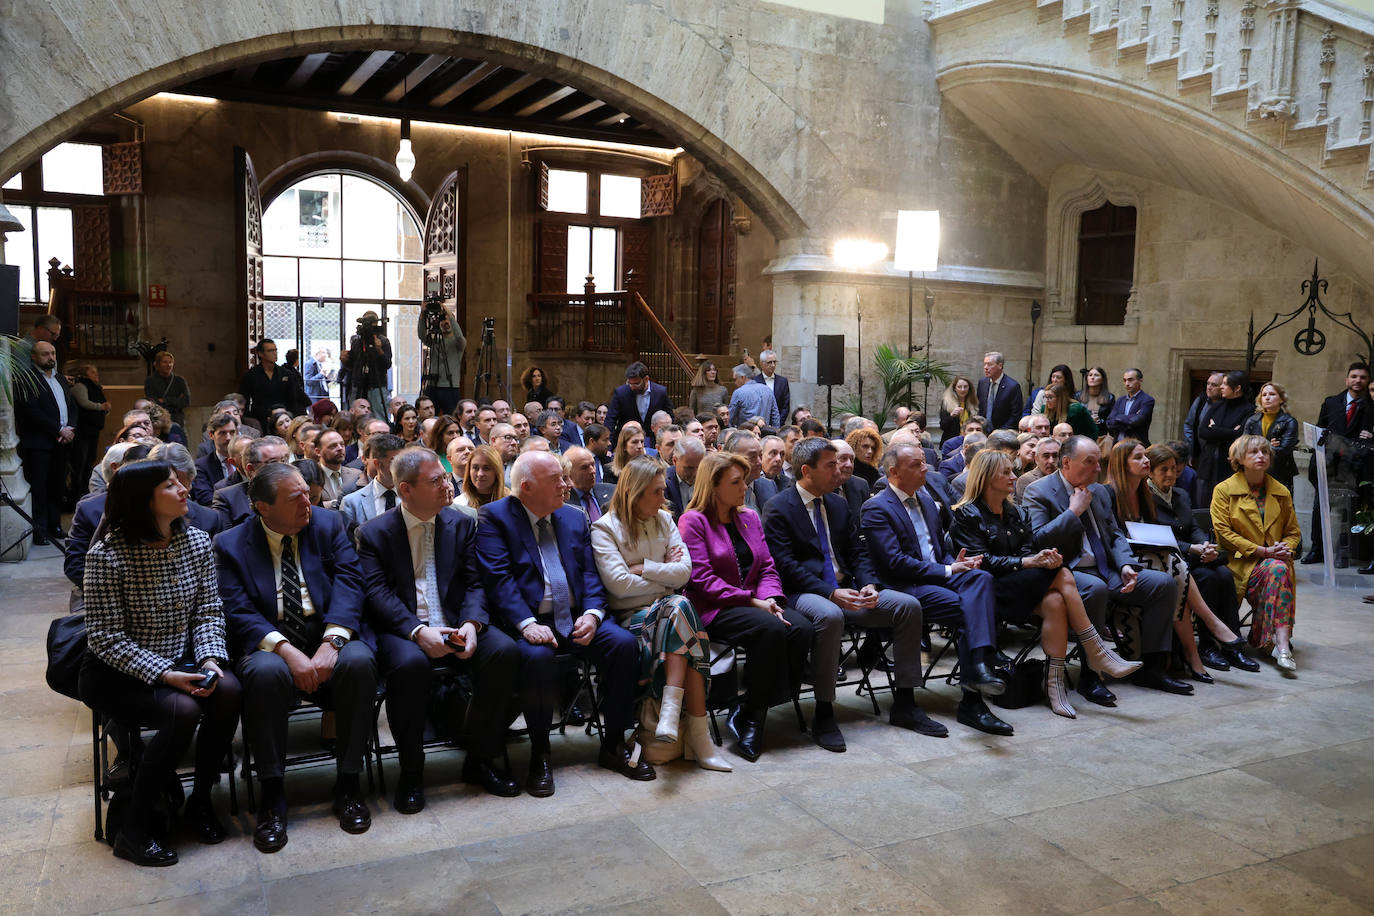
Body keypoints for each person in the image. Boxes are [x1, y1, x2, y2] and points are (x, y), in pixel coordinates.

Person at [78, 459, 242, 867]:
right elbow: (106, 639)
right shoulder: (107, 556)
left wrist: (208, 656)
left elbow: (208, 609)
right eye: (170, 486)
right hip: (117, 671)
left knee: (229, 690)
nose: (184, 489)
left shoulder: (197, 542)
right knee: (181, 710)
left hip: (183, 656)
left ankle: (201, 801)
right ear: (143, 501)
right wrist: (167, 674)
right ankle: (134, 830)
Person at [215, 463, 378, 853]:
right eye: (295, 498)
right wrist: (288, 652)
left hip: (327, 631)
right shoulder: (230, 543)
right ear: (262, 507)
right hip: (270, 641)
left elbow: (350, 584)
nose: (308, 502)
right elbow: (236, 610)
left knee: (358, 662)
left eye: (307, 492)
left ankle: (349, 784)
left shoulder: (328, 523)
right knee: (266, 674)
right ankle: (272, 796)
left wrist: (330, 644)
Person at [477, 451, 655, 795]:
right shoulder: (494, 518)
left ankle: (614, 744)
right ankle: (541, 753)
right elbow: (498, 580)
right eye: (556, 479)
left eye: (565, 477)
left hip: (575, 616)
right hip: (527, 620)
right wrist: (526, 623)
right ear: (526, 488)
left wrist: (592, 614)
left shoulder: (573, 517)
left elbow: (591, 573)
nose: (566, 484)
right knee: (537, 659)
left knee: (622, 645)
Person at [357, 448, 522, 805]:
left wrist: (472, 624)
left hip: (455, 620)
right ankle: (412, 772)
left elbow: (475, 582)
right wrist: (418, 631)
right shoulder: (374, 533)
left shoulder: (461, 523)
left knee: (505, 652)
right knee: (409, 665)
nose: (446, 485)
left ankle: (480, 757)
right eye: (435, 481)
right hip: (404, 628)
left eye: (445, 477)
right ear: (405, 489)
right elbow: (377, 594)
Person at [766, 439, 932, 748]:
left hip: (848, 587)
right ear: (806, 470)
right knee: (829, 617)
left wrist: (868, 583)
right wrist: (831, 592)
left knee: (907, 605)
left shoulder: (838, 503)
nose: (839, 470)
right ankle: (825, 712)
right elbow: (786, 567)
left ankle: (906, 703)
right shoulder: (779, 507)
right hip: (804, 592)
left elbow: (859, 551)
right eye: (830, 465)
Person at [950, 450, 1142, 718]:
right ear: (986, 477)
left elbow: (1028, 549)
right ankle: (1096, 650)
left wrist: (1042, 559)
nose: (1014, 477)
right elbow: (979, 562)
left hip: (1022, 584)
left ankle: (1055, 688)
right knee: (1062, 574)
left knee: (1055, 599)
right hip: (989, 591)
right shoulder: (967, 514)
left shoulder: (1017, 513)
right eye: (1005, 472)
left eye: (1012, 470)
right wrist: (1029, 563)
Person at [861, 442, 1013, 735]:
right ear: (894, 472)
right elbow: (894, 563)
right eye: (916, 465)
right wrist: (946, 570)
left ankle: (979, 668)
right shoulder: (877, 507)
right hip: (905, 585)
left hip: (936, 575)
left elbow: (936, 550)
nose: (925, 468)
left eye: (924, 462)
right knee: (969, 607)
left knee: (981, 579)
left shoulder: (928, 501)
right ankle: (974, 694)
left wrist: (954, 564)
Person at [1023, 436, 1188, 705]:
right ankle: (1092, 676)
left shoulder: (1099, 491)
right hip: (1065, 571)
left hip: (1106, 568)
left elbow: (1114, 535)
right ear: (1066, 462)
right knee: (1096, 588)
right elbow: (1037, 541)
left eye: (1098, 462)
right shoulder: (1038, 491)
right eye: (1089, 462)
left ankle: (1153, 667)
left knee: (1162, 583)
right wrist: (1072, 513)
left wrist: (1125, 565)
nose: (1097, 469)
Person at [591, 457, 731, 770]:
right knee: (682, 613)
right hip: (631, 618)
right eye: (656, 492)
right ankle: (699, 738)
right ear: (635, 493)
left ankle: (673, 709)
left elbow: (684, 573)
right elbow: (619, 586)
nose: (663, 498)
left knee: (678, 610)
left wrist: (646, 568)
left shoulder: (665, 520)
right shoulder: (605, 528)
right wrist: (663, 576)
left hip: (669, 613)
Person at [678, 452, 814, 761]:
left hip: (756, 603)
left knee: (801, 628)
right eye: (736, 482)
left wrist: (771, 599)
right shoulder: (693, 521)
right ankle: (754, 717)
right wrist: (751, 600)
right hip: (713, 608)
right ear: (713, 487)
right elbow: (700, 579)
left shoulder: (749, 517)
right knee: (770, 630)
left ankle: (749, 704)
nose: (745, 488)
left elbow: (767, 567)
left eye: (745, 481)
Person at [1103, 439, 1249, 683]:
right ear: (1121, 463)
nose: (1146, 462)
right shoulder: (1109, 492)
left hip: (1161, 557)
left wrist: (1203, 545)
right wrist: (1190, 549)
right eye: (1139, 458)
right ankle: (1205, 641)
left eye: (1146, 457)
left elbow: (1187, 527)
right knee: (1179, 569)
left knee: (1217, 574)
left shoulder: (1146, 493)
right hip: (1127, 561)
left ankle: (1209, 648)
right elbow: (1117, 538)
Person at [1145, 443, 1259, 673]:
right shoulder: (1145, 497)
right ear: (1150, 472)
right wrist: (1192, 548)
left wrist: (1205, 545)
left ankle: (1232, 646)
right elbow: (1155, 536)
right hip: (1166, 559)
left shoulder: (1181, 495)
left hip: (1193, 556)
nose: (1170, 474)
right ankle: (1208, 646)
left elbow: (1193, 526)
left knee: (1224, 575)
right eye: (1163, 469)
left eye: (1173, 469)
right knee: (1207, 577)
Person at [1211, 435, 1301, 673]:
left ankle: (1281, 645)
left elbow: (1293, 532)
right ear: (1239, 458)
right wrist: (1262, 550)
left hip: (1272, 564)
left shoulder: (1280, 491)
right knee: (1277, 569)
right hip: (1238, 563)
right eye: (1254, 452)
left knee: (1278, 568)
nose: (1261, 456)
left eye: (1265, 452)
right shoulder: (1224, 490)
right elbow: (1223, 533)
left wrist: (1286, 548)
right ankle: (1272, 642)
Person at [1303, 362, 1374, 564]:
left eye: (1362, 377)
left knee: (1350, 511)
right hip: (1329, 465)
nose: (1357, 380)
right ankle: (1317, 549)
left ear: (1367, 381)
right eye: (1354, 376)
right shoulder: (1332, 402)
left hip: (1355, 468)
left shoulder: (1371, 406)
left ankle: (1347, 552)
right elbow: (1320, 430)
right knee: (1320, 507)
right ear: (1347, 379)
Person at [15, 340, 77, 544]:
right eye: (45, 354)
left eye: (53, 353)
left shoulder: (59, 378)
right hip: (38, 443)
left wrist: (71, 429)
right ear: (34, 357)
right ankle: (39, 530)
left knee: (57, 486)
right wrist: (58, 429)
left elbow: (72, 406)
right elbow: (30, 411)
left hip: (62, 442)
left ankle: (55, 525)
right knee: (39, 487)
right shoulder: (26, 379)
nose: (51, 357)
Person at [1194, 370, 1251, 506]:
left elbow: (1240, 435)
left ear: (1237, 388)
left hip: (1229, 465)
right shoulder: (1217, 405)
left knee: (1225, 505)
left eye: (1225, 384)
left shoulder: (1248, 409)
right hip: (1208, 462)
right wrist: (1230, 431)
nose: (1221, 387)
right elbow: (1202, 431)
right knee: (1203, 504)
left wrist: (1214, 429)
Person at [211, 435, 292, 530]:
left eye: (285, 460)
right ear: (251, 469)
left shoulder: (300, 489)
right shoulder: (227, 498)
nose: (283, 468)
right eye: (273, 462)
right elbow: (225, 540)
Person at [340, 434, 405, 539]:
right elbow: (348, 544)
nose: (401, 467)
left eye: (403, 460)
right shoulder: (352, 502)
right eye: (395, 462)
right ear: (377, 464)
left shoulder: (415, 495)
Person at [239, 339, 310, 430]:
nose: (274, 353)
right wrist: (249, 421)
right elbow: (244, 400)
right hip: (261, 420)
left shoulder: (286, 374)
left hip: (284, 419)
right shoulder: (251, 375)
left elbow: (294, 399)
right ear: (261, 354)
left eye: (275, 350)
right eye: (270, 351)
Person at [1241, 382, 1298, 492]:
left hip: (1279, 472)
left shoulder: (1289, 421)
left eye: (1272, 394)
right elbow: (1243, 446)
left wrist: (1256, 446)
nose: (1267, 398)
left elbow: (1283, 450)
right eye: (1264, 395)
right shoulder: (1252, 420)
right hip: (1254, 471)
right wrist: (1268, 445)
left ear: (1281, 399)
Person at [607, 361, 675, 448]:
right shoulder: (621, 393)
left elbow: (670, 416)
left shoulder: (660, 392)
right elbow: (610, 420)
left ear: (646, 379)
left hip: (653, 442)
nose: (632, 387)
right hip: (628, 443)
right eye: (629, 383)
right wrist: (609, 445)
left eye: (636, 383)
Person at [67, 362, 109, 498]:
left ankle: (85, 490)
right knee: (80, 462)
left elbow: (101, 403)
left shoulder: (95, 387)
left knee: (89, 460)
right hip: (82, 431)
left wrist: (105, 408)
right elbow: (84, 403)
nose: (96, 375)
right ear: (85, 375)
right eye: (93, 372)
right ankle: (76, 493)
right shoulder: (80, 386)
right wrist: (101, 407)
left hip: (92, 430)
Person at [341, 311, 392, 419]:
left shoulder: (383, 341)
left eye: (371, 323)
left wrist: (379, 350)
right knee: (355, 416)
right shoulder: (357, 341)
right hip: (358, 384)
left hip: (376, 385)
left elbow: (387, 364)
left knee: (379, 415)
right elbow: (352, 366)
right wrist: (344, 360)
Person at [419, 304, 466, 416]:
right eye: (442, 321)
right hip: (433, 385)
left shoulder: (458, 343)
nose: (446, 323)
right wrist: (422, 315)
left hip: (450, 386)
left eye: (448, 321)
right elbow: (422, 336)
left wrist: (448, 314)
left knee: (451, 417)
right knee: (427, 416)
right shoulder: (435, 340)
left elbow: (459, 336)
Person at [1102, 368, 1155, 444]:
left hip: (1137, 445)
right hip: (1118, 445)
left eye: (1130, 380)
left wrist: (1118, 419)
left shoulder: (1147, 400)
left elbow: (1137, 421)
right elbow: (1109, 422)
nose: (1127, 383)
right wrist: (1130, 419)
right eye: (1125, 380)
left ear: (1140, 381)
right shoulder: (1120, 400)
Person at [454, 444, 508, 518]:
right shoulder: (459, 504)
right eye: (475, 468)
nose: (480, 474)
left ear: (496, 472)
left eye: (486, 468)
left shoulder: (512, 501)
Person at [315, 428, 363, 508]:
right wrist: (335, 503)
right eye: (333, 446)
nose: (340, 448)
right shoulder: (312, 476)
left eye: (342, 444)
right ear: (318, 452)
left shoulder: (357, 474)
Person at [976, 351, 1023, 431]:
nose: (986, 367)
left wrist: (1000, 431)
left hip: (1003, 432)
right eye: (985, 364)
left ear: (1000, 366)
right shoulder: (982, 382)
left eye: (989, 364)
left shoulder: (1012, 386)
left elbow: (1015, 415)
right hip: (983, 431)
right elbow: (980, 407)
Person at [564, 446, 614, 521]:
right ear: (569, 472)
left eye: (593, 465)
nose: (592, 471)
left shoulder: (613, 491)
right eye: (584, 467)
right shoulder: (564, 502)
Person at [143, 351, 191, 428]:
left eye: (170, 362)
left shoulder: (179, 380)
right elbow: (153, 402)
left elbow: (186, 401)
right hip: (159, 419)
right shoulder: (150, 381)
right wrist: (176, 400)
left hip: (177, 419)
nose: (168, 365)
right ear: (158, 364)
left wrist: (165, 400)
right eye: (164, 362)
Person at [1182, 371, 1224, 460]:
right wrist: (1190, 450)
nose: (1209, 387)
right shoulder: (1201, 400)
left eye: (1214, 385)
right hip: (1200, 454)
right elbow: (1189, 425)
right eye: (1208, 384)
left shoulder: (1228, 405)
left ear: (1223, 387)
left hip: (1220, 456)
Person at [728, 363, 780, 428]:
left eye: (735, 379)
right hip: (765, 433)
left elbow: (730, 417)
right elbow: (775, 415)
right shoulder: (767, 390)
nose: (735, 383)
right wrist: (775, 432)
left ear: (742, 377)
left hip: (746, 434)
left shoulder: (738, 392)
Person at [666, 434, 705, 518]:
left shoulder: (708, 480)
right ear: (675, 460)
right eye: (689, 468)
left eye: (699, 467)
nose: (695, 473)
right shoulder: (663, 482)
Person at [1015, 435, 1060, 504]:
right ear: (1036, 459)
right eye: (1046, 456)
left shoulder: (1067, 478)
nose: (1051, 461)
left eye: (1055, 456)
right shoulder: (1026, 480)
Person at [754, 348, 791, 421]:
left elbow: (785, 405)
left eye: (774, 362)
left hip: (778, 424)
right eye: (769, 362)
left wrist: (778, 422)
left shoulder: (783, 381)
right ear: (761, 364)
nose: (773, 365)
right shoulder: (755, 381)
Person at [937, 376, 977, 442]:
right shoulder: (947, 403)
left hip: (970, 440)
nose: (963, 389)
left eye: (965, 387)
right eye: (959, 387)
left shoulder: (973, 402)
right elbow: (943, 426)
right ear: (954, 388)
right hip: (951, 441)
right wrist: (951, 416)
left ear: (969, 388)